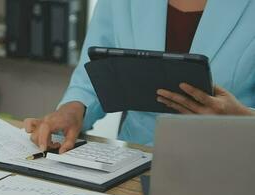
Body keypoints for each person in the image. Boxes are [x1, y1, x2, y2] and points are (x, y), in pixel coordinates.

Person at [25, 0, 255, 153]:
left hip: (228, 165)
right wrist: (73, 109)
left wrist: (241, 120)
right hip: (133, 162)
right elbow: (93, 76)